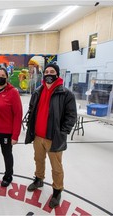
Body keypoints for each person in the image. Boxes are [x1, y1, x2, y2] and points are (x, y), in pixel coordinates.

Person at [24, 63, 77, 208]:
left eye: (52, 71)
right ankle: (39, 179)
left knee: (56, 167)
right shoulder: (37, 92)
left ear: (57, 74)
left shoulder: (66, 94)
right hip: (38, 136)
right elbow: (31, 110)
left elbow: (71, 116)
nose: (48, 74)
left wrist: (62, 132)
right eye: (46, 71)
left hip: (54, 138)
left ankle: (57, 190)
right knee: (38, 160)